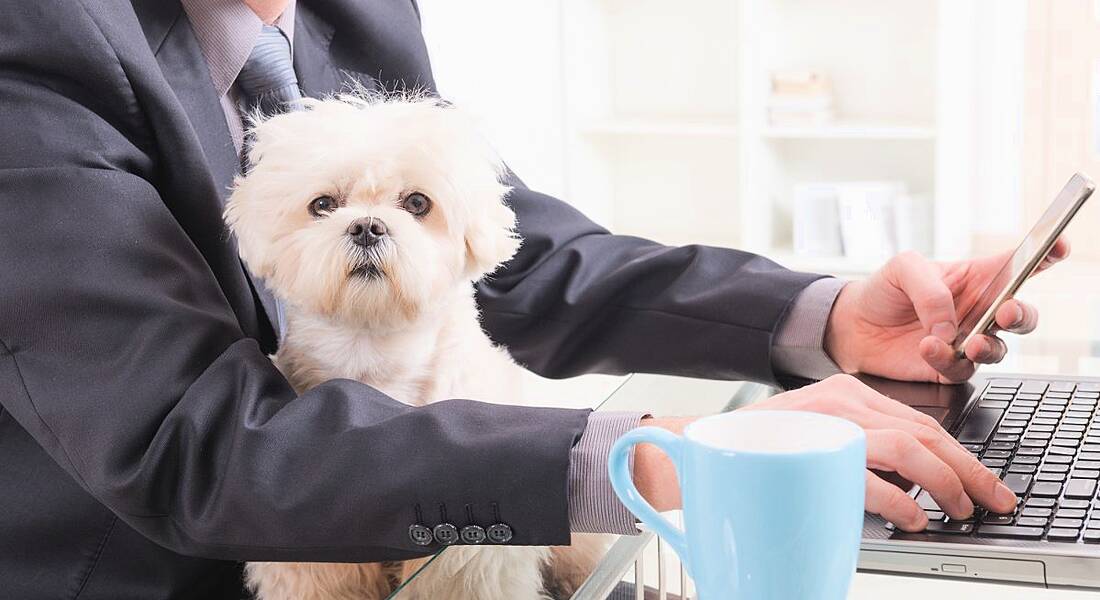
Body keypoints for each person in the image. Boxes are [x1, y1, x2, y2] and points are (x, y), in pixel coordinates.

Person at [0, 0, 1058, 597]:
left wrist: (821, 317)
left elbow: (516, 250)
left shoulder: (351, 12)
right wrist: (658, 455)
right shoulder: (38, 41)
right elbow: (194, 440)